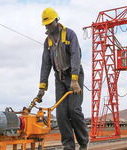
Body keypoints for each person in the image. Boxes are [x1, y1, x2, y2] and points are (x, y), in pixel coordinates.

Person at [36, 7, 89, 150]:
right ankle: (69, 146)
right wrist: (42, 88)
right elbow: (45, 65)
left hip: (74, 76)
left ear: (56, 20)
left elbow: (75, 57)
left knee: (74, 110)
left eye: (50, 23)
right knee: (61, 114)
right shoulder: (47, 42)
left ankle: (83, 143)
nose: (48, 26)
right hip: (59, 78)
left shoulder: (70, 35)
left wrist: (74, 79)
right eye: (46, 24)